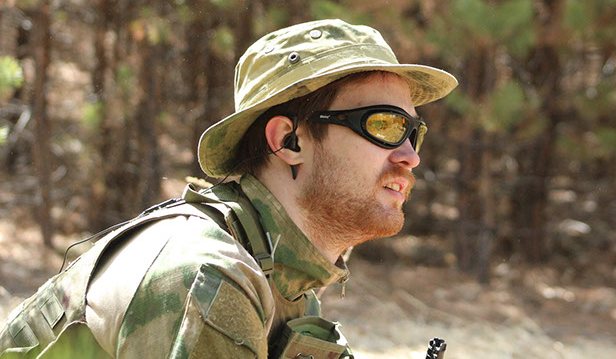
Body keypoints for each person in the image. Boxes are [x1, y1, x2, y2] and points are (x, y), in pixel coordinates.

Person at [0, 19, 458, 358]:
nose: (410, 156)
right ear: (289, 141)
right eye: (384, 125)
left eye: (413, 133)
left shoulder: (281, 275)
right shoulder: (205, 274)